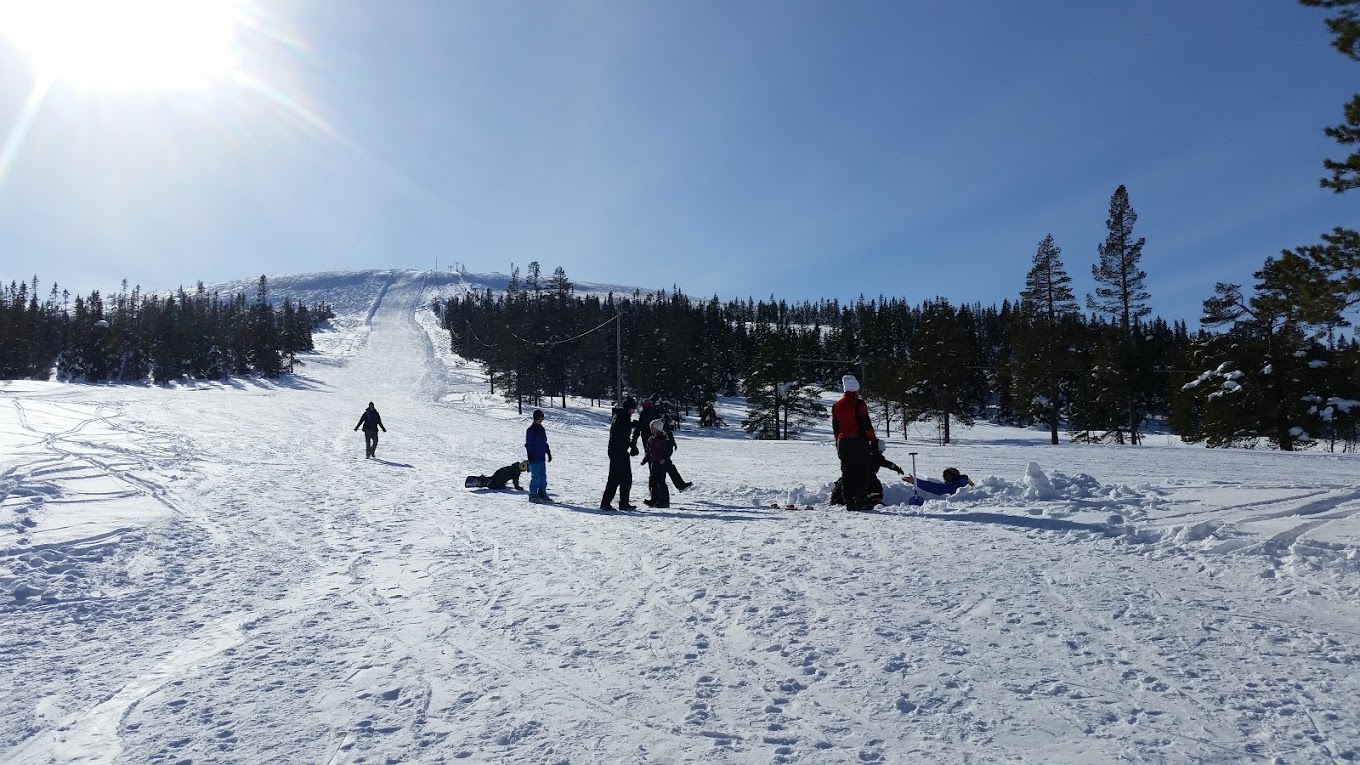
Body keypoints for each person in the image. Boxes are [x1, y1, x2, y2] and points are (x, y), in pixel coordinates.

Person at [830, 375, 877, 511]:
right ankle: (860, 499)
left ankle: (849, 500)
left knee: (847, 471)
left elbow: (836, 428)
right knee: (860, 471)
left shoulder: (836, 405)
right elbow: (866, 425)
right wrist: (873, 441)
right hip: (858, 441)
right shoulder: (859, 404)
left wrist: (837, 442)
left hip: (842, 442)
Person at [638, 399, 692, 492]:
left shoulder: (643, 415)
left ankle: (655, 492)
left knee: (655, 467)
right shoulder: (655, 413)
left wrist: (634, 442)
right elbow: (665, 427)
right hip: (659, 442)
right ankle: (678, 485)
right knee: (666, 464)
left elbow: (638, 429)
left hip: (649, 443)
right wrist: (672, 440)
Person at [830, 443, 903, 506]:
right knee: (875, 485)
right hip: (866, 476)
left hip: (852, 474)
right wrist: (896, 468)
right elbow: (886, 463)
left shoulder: (862, 452)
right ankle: (875, 499)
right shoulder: (876, 456)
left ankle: (837, 499)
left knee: (845, 482)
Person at [601, 397, 639, 510]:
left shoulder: (622, 415)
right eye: (633, 409)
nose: (634, 411)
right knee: (615, 478)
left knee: (625, 478)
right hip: (618, 451)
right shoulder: (622, 416)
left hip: (620, 451)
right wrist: (632, 426)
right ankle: (605, 503)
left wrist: (632, 445)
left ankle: (624, 503)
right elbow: (621, 433)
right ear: (629, 408)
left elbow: (623, 433)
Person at [642, 419, 675, 508]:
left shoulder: (665, 439)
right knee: (653, 481)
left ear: (658, 428)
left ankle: (664, 501)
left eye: (652, 428)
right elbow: (648, 452)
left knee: (660, 482)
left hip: (661, 463)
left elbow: (669, 450)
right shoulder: (651, 439)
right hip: (653, 462)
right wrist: (645, 459)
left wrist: (664, 458)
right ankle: (654, 499)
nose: (651, 430)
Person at [525, 409, 553, 503]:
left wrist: (548, 452)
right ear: (536, 418)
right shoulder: (531, 430)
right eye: (540, 418)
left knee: (543, 476)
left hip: (541, 457)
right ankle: (533, 495)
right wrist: (530, 455)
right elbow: (529, 444)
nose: (541, 420)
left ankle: (542, 493)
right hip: (534, 457)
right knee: (536, 477)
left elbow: (544, 442)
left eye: (542, 418)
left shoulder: (541, 429)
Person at [904, 467, 973, 496]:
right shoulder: (962, 481)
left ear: (953, 476)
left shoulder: (956, 485)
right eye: (944, 475)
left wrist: (916, 481)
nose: (944, 478)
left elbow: (936, 488)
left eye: (946, 476)